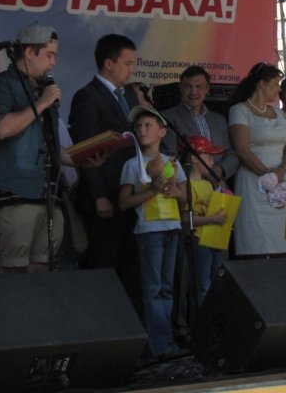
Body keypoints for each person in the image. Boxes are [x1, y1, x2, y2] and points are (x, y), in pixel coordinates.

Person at [160, 65, 238, 345]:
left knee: (219, 272)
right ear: (181, 88)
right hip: (189, 195)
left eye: (199, 87)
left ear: (207, 89)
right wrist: (197, 172)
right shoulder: (169, 118)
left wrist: (218, 170)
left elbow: (231, 155)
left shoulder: (218, 120)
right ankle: (190, 329)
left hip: (218, 196)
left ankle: (217, 328)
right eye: (188, 86)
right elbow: (168, 156)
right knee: (190, 275)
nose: (193, 92)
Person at [0, 23, 65, 273]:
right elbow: (1, 128)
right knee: (14, 271)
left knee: (43, 267)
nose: (53, 63)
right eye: (49, 55)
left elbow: (47, 142)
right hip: (15, 194)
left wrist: (85, 156)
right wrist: (42, 103)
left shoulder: (42, 90)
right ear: (29, 52)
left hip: (49, 194)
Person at [68, 34, 139, 296]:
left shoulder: (129, 96)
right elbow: (84, 150)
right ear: (109, 63)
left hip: (129, 193)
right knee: (104, 267)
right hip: (105, 197)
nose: (131, 70)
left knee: (130, 268)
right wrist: (98, 195)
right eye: (127, 63)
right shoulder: (88, 96)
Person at [119, 106, 187, 360]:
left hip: (172, 227)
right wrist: (152, 191)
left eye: (148, 125)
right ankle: (160, 344)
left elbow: (185, 196)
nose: (142, 130)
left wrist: (175, 191)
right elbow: (123, 202)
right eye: (138, 126)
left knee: (167, 287)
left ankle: (166, 340)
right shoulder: (131, 164)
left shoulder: (172, 163)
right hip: (148, 231)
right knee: (153, 288)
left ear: (162, 131)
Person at [228, 62, 286, 257]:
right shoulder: (239, 110)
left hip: (282, 182)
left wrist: (281, 172)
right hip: (254, 183)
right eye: (275, 84)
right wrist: (268, 175)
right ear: (262, 84)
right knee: (257, 243)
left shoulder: (280, 113)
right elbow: (242, 150)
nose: (279, 89)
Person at [183, 135, 230, 300]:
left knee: (216, 280)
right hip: (198, 239)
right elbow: (185, 218)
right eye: (208, 156)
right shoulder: (187, 185)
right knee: (203, 283)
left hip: (213, 238)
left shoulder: (209, 184)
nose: (212, 161)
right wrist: (211, 219)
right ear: (194, 158)